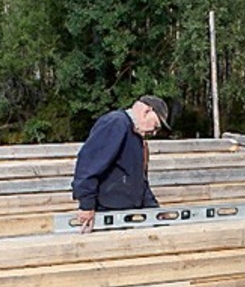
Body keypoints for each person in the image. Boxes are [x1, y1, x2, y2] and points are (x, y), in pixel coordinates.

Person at [72, 95, 171, 233]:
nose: (154, 132)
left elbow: (138, 180)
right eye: (156, 125)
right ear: (146, 111)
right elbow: (89, 164)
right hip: (106, 212)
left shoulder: (136, 138)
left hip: (123, 214)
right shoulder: (116, 123)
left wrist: (154, 210)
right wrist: (86, 205)